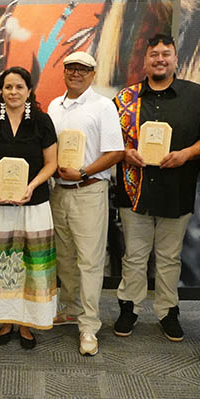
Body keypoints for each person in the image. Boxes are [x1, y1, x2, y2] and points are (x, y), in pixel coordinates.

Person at [113, 34, 200, 342]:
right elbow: (109, 139)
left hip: (177, 190)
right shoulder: (126, 98)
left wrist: (187, 153)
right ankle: (129, 308)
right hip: (135, 191)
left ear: (175, 59)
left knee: (170, 257)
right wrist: (124, 152)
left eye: (166, 54)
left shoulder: (194, 94)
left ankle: (167, 311)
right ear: (144, 61)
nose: (160, 59)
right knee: (133, 256)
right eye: (154, 54)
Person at [0, 66, 58, 349]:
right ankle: (5, 319)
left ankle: (26, 322)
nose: (13, 92)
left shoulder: (42, 122)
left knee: (32, 264)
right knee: (2, 263)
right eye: (8, 87)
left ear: (29, 91)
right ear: (1, 92)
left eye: (19, 87)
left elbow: (52, 164)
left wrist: (32, 185)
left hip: (33, 204)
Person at [47, 51, 124, 356]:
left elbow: (115, 152)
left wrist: (82, 171)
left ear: (93, 74)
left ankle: (89, 325)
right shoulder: (55, 105)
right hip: (58, 191)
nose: (76, 73)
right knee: (63, 256)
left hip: (89, 190)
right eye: (71, 68)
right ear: (64, 72)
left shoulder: (103, 106)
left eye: (83, 69)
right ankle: (69, 308)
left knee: (89, 261)